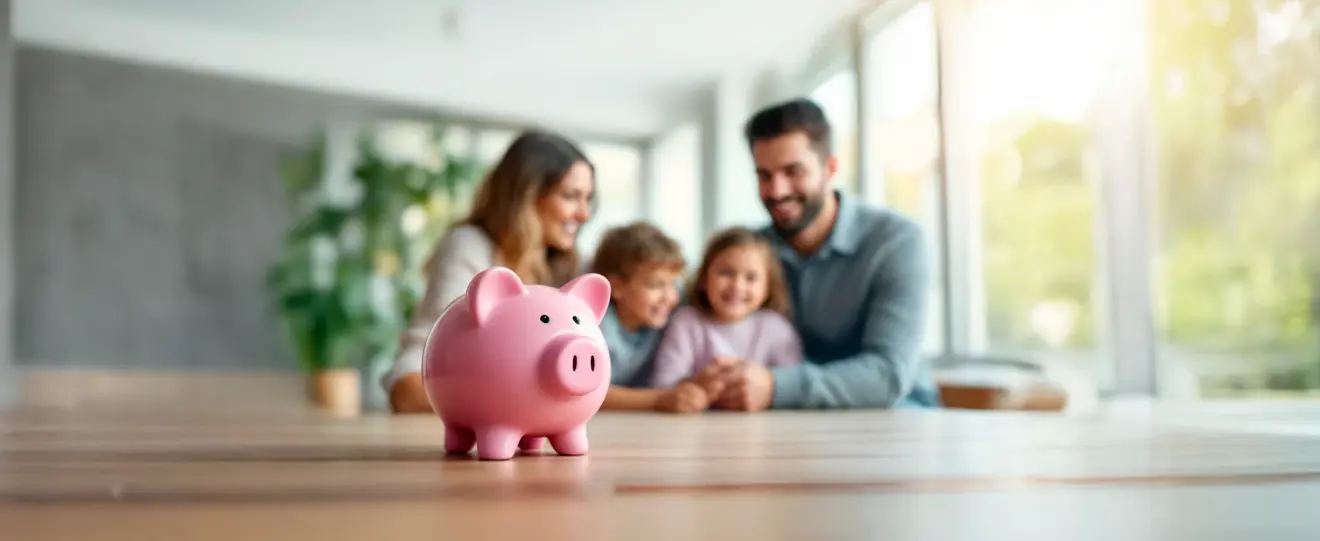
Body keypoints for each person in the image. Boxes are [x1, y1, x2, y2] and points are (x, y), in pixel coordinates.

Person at [691, 98, 942, 411]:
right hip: (791, 414)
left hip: (897, 412)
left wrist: (773, 385)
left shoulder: (895, 241)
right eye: (764, 176)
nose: (777, 191)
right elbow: (688, 309)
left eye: (792, 172)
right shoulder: (751, 251)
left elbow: (888, 376)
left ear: (830, 168)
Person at [384, 130, 596, 414]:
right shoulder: (469, 245)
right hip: (436, 401)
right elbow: (418, 373)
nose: (584, 214)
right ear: (526, 196)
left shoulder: (564, 262)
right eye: (571, 196)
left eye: (588, 198)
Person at [648, 227, 803, 413]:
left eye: (751, 278)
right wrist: (697, 384)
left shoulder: (776, 328)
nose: (737, 285)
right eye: (726, 273)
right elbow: (662, 385)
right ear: (704, 278)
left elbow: (794, 387)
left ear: (767, 287)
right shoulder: (686, 322)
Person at [586, 221, 695, 412]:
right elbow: (588, 391)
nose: (669, 297)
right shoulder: (596, 329)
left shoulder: (669, 322)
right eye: (655, 285)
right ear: (617, 287)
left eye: (673, 285)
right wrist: (658, 400)